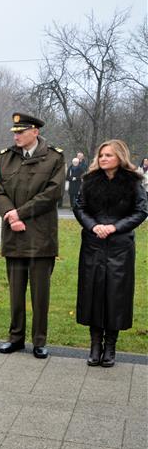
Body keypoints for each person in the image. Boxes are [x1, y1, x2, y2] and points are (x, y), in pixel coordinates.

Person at [0, 112, 65, 359]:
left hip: (41, 236)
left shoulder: (54, 158)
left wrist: (18, 214)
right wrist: (10, 215)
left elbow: (52, 194)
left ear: (35, 131)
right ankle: (15, 338)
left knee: (40, 293)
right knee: (15, 293)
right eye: (14, 132)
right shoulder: (5, 159)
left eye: (21, 132)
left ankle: (39, 341)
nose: (17, 136)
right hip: (14, 235)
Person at [73, 140, 147, 367]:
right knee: (93, 293)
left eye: (109, 155)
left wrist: (115, 227)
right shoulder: (89, 181)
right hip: (93, 245)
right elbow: (79, 207)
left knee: (116, 295)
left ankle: (110, 346)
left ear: (120, 157)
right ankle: (95, 345)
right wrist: (94, 226)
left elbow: (142, 210)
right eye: (101, 155)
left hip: (120, 247)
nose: (103, 158)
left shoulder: (134, 182)